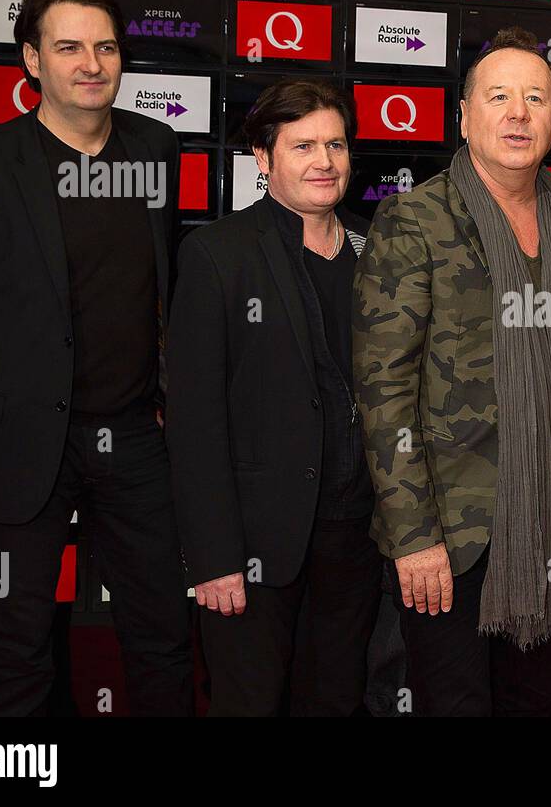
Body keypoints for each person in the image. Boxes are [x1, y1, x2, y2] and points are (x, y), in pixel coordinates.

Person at [0, 0, 191, 715]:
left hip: (135, 438)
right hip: (19, 442)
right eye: (68, 47)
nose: (91, 63)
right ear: (32, 60)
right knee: (16, 641)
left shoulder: (157, 149)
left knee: (163, 635)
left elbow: (162, 293)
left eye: (105, 46)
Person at [352, 26, 551, 717]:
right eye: (500, 96)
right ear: (463, 116)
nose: (518, 112)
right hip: (453, 534)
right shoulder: (413, 222)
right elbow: (383, 393)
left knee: (531, 703)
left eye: (536, 98)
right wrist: (413, 535)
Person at [166, 79, 382, 716]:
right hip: (254, 542)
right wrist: (212, 557)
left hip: (356, 538)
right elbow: (194, 421)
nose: (324, 162)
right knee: (249, 703)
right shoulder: (217, 254)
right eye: (304, 145)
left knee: (336, 700)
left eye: (336, 145)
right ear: (263, 158)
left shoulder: (381, 251)